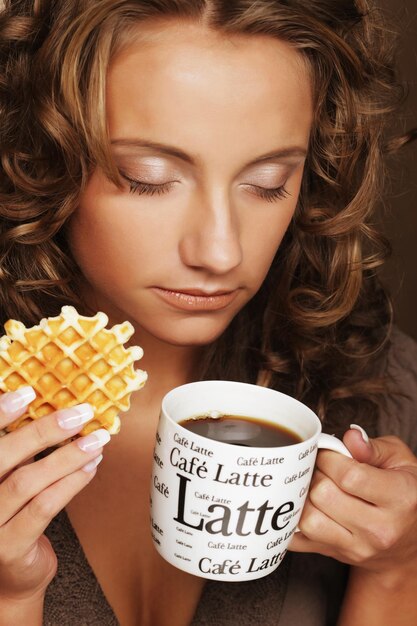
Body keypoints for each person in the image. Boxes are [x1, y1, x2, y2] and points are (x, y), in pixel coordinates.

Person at [0, 0, 416, 624]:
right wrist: (13, 598)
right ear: (41, 157)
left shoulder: (386, 391)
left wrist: (396, 570)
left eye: (269, 180)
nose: (221, 251)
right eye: (147, 177)